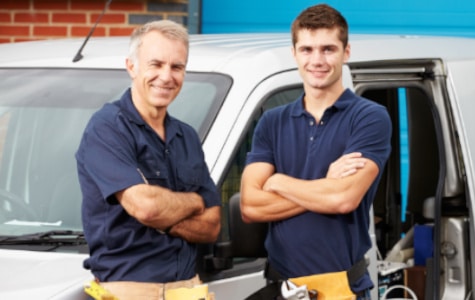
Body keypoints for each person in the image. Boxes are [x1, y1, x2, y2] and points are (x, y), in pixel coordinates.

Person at [240, 4, 391, 299]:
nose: (317, 60)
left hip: (341, 290)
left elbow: (343, 198)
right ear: (294, 53)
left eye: (328, 49)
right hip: (283, 289)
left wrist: (279, 182)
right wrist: (325, 183)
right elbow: (250, 206)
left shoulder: (369, 117)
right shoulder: (272, 121)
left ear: (346, 52)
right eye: (307, 49)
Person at [75, 20, 221, 299]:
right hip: (129, 290)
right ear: (131, 66)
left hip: (189, 289)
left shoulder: (186, 136)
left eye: (177, 67)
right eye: (156, 64)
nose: (166, 76)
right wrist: (195, 201)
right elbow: (147, 208)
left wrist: (165, 215)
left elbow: (212, 224)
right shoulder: (107, 128)